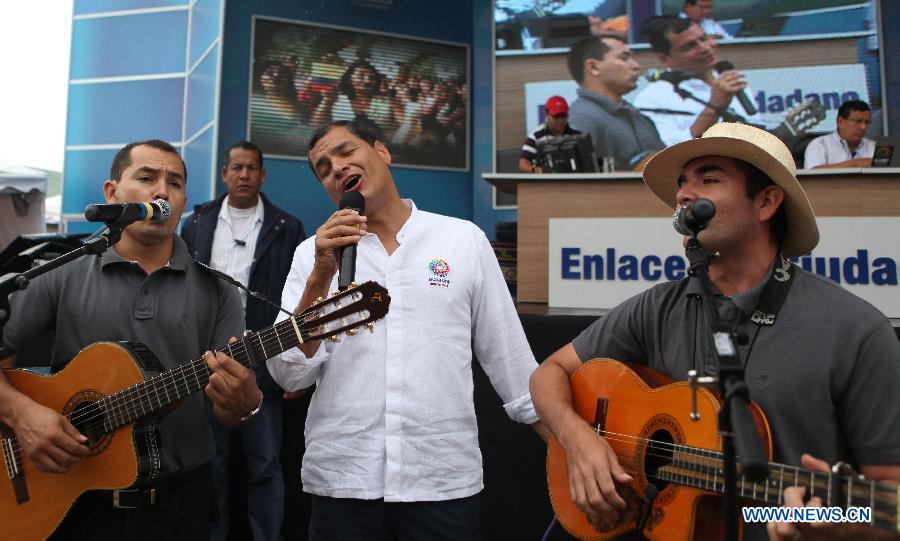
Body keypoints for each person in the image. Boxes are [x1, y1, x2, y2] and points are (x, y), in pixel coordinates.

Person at [529, 123, 900, 541]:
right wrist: (579, 440)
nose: (683, 195)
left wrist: (836, 525)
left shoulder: (856, 330)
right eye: (682, 184)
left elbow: (890, 501)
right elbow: (548, 374)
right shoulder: (657, 306)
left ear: (766, 202)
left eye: (708, 179)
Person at [267, 119, 549, 539]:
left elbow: (509, 360)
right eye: (324, 168)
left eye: (346, 152)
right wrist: (319, 279)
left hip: (440, 480)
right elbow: (289, 373)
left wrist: (566, 443)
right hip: (345, 482)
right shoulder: (314, 253)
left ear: (382, 152)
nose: (337, 168)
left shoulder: (461, 240)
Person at [0, 139, 263, 539]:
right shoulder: (60, 272)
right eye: (146, 177)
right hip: (74, 502)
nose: (161, 191)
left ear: (182, 201)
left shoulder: (218, 290)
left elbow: (228, 414)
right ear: (111, 193)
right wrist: (23, 415)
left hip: (179, 505)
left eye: (174, 183)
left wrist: (245, 405)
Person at [180, 141, 306, 541]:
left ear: (263, 176)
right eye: (237, 167)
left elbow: (298, 299)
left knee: (266, 467)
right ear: (224, 174)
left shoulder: (287, 228)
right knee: (210, 466)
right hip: (206, 365)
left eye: (252, 168)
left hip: (263, 367)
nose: (244, 175)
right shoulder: (196, 223)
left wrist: (294, 366)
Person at [633, 16, 759, 147]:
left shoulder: (728, 79)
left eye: (704, 38)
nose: (705, 48)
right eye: (690, 46)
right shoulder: (652, 99)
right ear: (664, 58)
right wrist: (713, 108)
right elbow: (670, 154)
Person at [566, 36, 665, 171]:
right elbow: (570, 176)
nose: (636, 66)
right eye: (624, 58)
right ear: (593, 67)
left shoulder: (639, 117)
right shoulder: (582, 117)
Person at [803, 100, 875, 169]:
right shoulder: (820, 144)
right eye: (858, 121)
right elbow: (813, 173)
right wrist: (855, 164)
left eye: (867, 122)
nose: (863, 127)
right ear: (840, 121)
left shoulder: (873, 147)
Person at [519, 95, 582, 173]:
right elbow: (523, 165)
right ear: (546, 114)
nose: (560, 120)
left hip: (574, 182)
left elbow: (588, 161)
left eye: (563, 115)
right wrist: (538, 170)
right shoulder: (535, 136)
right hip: (545, 183)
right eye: (556, 116)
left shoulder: (577, 135)